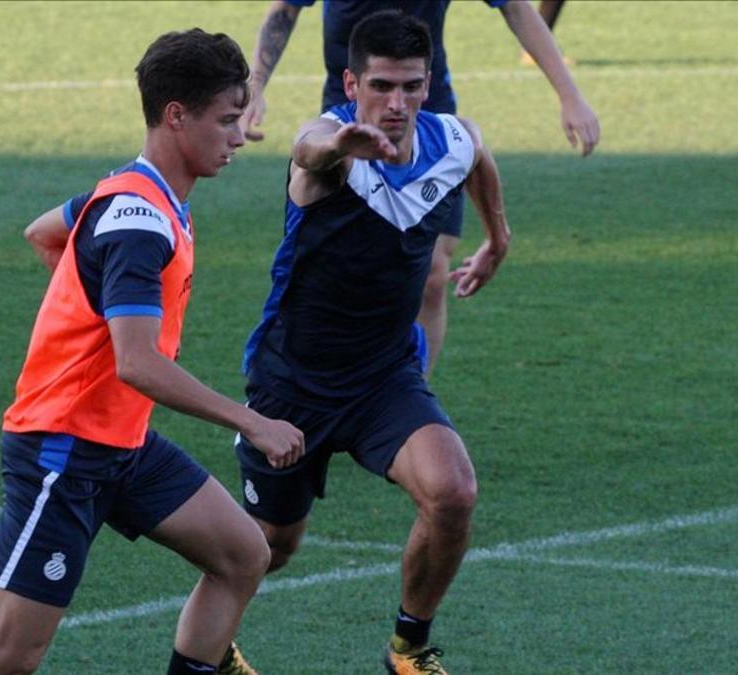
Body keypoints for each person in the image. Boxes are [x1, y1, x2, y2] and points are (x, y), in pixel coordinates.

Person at [0, 28, 304, 675]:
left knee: (242, 554)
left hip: (123, 443)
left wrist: (84, 303)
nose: (240, 135)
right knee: (8, 651)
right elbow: (136, 362)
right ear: (177, 116)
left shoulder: (127, 194)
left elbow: (44, 232)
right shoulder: (138, 222)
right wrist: (251, 420)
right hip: (63, 446)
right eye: (227, 119)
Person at [233, 10, 510, 674]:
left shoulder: (448, 137)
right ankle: (210, 649)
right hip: (291, 382)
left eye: (410, 86)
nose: (396, 102)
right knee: (268, 545)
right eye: (381, 86)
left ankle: (408, 650)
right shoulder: (329, 146)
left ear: (428, 81)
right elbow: (306, 150)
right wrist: (342, 144)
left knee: (454, 492)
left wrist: (498, 236)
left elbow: (476, 154)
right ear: (352, 82)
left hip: (384, 377)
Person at [240, 0, 598, 377]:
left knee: (431, 273)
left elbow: (515, 8)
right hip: (353, 113)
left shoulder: (452, 131)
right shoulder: (335, 125)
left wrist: (569, 95)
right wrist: (256, 85)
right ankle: (316, 372)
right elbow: (285, 10)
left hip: (425, 108)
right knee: (343, 268)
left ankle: (408, 392)